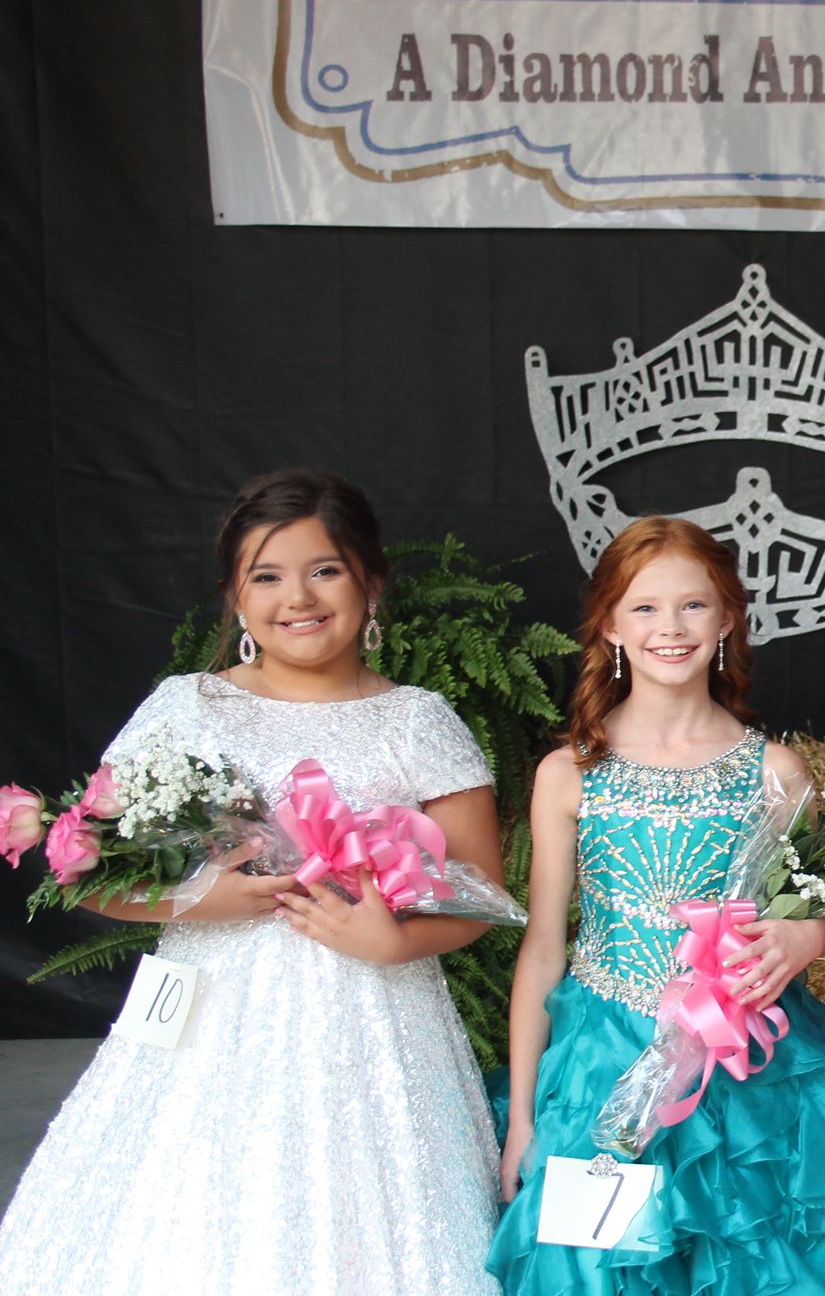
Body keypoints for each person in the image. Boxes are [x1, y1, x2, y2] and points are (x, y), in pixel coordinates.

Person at [0, 468, 506, 1294]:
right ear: (235, 599)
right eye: (265, 576)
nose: (296, 597)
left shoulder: (417, 718)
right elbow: (83, 869)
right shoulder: (187, 706)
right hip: (210, 1013)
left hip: (378, 1019)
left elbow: (480, 891)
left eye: (325, 569)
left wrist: (394, 938)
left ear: (370, 583)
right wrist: (202, 896)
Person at [487, 516, 825, 1295]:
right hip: (603, 1055)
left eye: (694, 606)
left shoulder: (776, 770)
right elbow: (543, 943)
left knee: (760, 1258)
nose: (670, 628)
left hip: (746, 1062)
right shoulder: (570, 772)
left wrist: (808, 936)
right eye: (644, 608)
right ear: (610, 624)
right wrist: (521, 1122)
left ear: (727, 620)